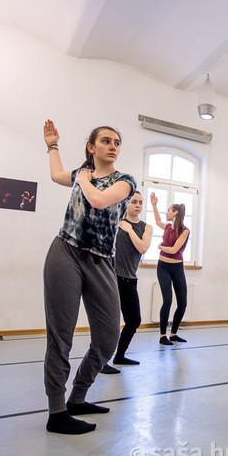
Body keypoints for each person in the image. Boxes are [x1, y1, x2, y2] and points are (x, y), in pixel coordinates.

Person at [42, 120, 136, 435]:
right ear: (91, 147)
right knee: (61, 336)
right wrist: (53, 146)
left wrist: (82, 179)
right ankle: (57, 411)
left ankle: (78, 397)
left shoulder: (125, 181)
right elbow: (56, 175)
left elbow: (98, 199)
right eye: (106, 141)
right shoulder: (81, 176)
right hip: (65, 253)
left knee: (109, 336)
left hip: (101, 262)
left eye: (117, 142)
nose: (113, 146)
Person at [100, 191, 153, 374]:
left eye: (140, 202)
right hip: (111, 279)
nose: (137, 205)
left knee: (134, 320)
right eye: (133, 202)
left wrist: (130, 230)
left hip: (130, 280)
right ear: (126, 204)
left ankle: (119, 355)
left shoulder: (146, 227)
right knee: (109, 323)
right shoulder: (115, 223)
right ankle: (100, 361)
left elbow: (143, 247)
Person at [150, 195, 190, 345]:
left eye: (168, 210)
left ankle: (173, 333)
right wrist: (154, 205)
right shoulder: (167, 227)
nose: (166, 213)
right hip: (163, 267)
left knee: (182, 302)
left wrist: (160, 247)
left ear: (175, 213)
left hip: (177, 267)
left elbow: (174, 249)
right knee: (167, 300)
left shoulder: (185, 231)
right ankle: (162, 336)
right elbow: (157, 220)